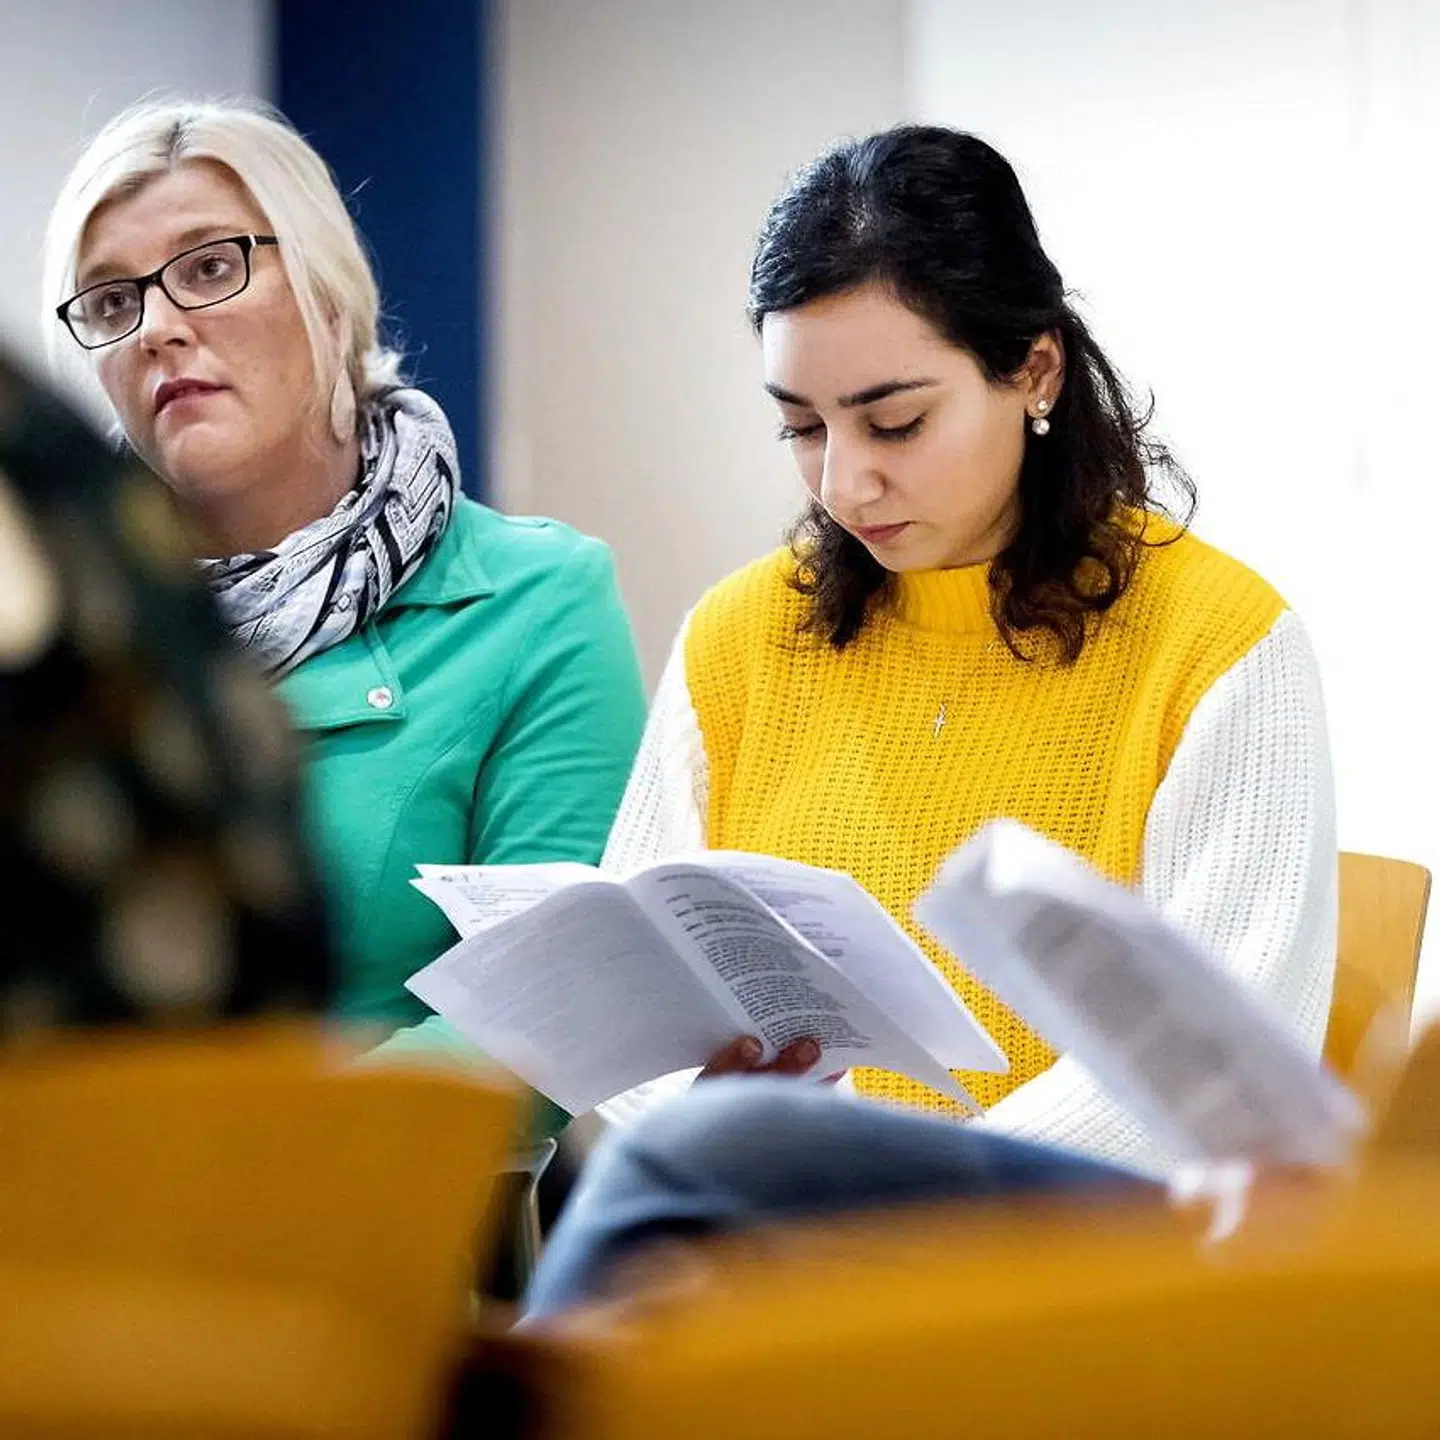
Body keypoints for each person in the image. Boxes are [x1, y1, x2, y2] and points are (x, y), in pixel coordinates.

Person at [602, 124, 1337, 1174]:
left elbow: (1207, 1082)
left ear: (1035, 369)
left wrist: (898, 1196)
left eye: (893, 423)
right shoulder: (740, 636)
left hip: (1062, 1268)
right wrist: (696, 1103)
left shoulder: (1218, 645)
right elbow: (639, 1010)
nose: (843, 485)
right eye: (801, 428)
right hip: (779, 1238)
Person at [42, 99, 647, 1129]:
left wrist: (232, 1164)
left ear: (328, 291)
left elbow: (552, 997)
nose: (160, 328)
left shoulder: (533, 601)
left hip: (379, 1230)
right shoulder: (60, 626)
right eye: (110, 302)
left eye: (208, 267)